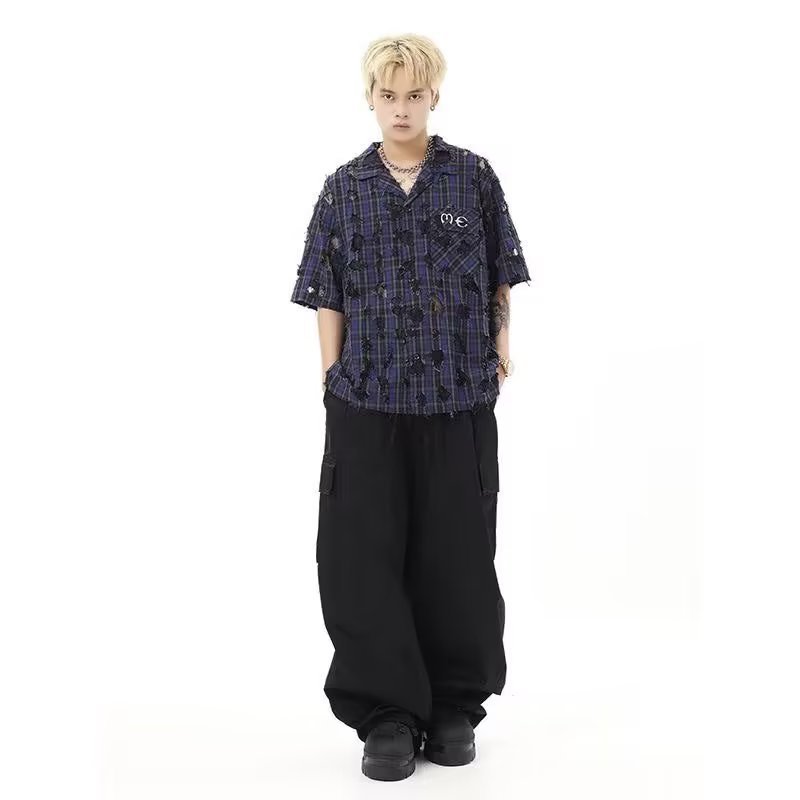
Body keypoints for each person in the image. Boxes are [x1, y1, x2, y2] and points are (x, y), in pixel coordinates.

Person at [289, 33, 532, 781]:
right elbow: (327, 291)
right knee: (361, 558)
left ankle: (454, 703)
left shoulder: (472, 179)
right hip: (365, 399)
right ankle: (388, 713)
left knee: (458, 555)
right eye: (388, 94)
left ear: (434, 97)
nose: (401, 108)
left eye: (414, 95)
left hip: (458, 397)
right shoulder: (344, 188)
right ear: (370, 98)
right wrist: (331, 379)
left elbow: (499, 272)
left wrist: (501, 347)